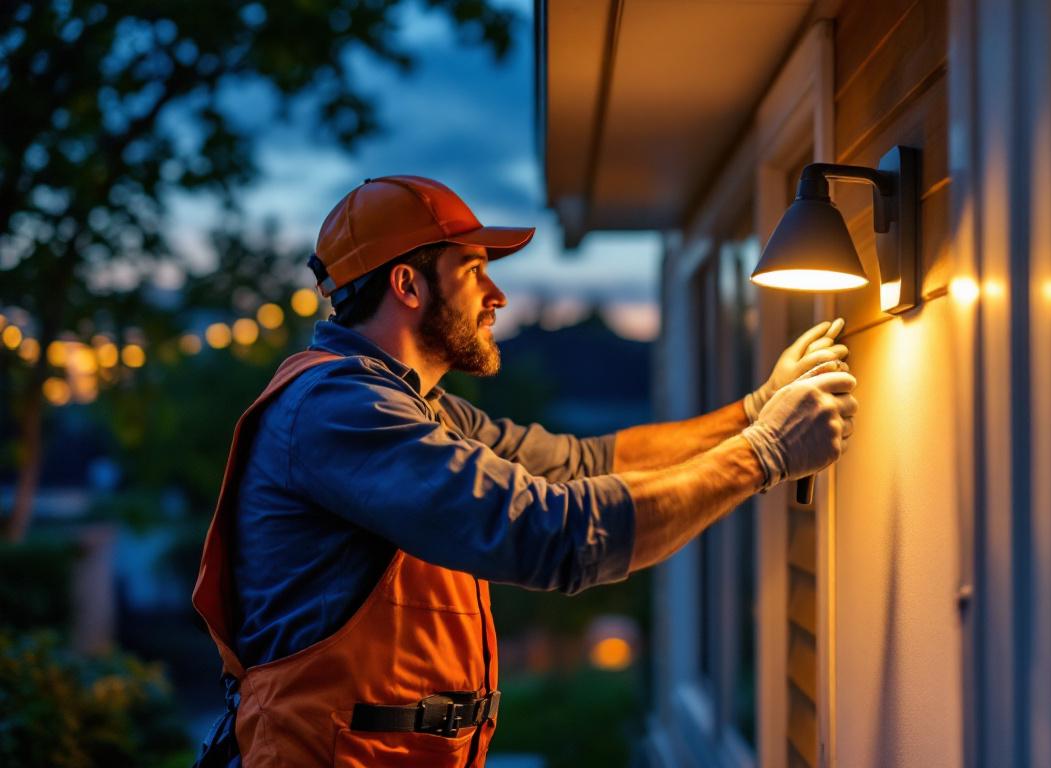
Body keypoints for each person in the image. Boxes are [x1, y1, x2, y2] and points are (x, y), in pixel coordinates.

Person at [192, 175, 857, 767]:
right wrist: (765, 453)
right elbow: (552, 534)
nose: (498, 294)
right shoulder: (340, 411)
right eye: (475, 268)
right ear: (407, 284)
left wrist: (753, 410)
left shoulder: (418, 409)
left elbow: (582, 465)